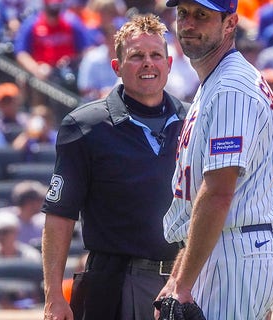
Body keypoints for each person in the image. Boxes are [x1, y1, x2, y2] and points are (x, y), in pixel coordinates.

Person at [41, 14, 188, 320]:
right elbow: (60, 216)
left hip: (188, 281)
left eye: (155, 55)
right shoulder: (84, 127)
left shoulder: (196, 121)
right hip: (117, 286)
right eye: (136, 56)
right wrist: (54, 295)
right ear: (117, 67)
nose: (148, 63)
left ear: (169, 64)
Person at [156, 0, 273, 319]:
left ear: (230, 24)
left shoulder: (231, 87)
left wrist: (182, 285)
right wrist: (177, 276)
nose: (189, 24)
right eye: (183, 14)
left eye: (202, 15)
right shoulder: (218, 79)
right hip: (227, 248)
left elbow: (218, 194)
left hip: (232, 251)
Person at [0, 180, 46, 245]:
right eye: (41, 200)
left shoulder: (41, 220)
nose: (43, 203)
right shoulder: (4, 218)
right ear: (30, 203)